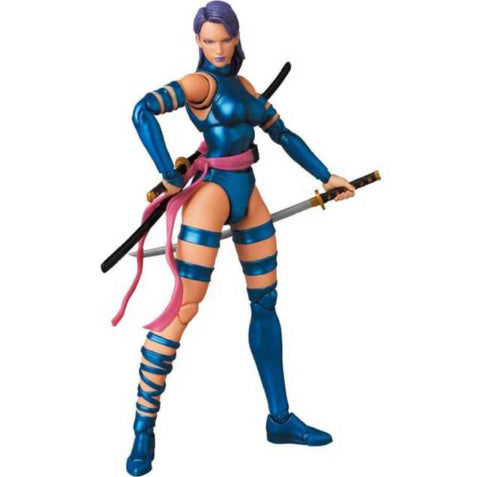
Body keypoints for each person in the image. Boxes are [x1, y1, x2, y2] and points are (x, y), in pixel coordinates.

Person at [117, 2, 355, 475]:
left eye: (225, 39)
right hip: (212, 195)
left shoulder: (244, 87)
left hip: (250, 194)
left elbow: (282, 134)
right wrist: (168, 174)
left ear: (237, 37)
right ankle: (143, 431)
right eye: (209, 41)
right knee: (182, 309)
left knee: (265, 303)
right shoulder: (200, 84)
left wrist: (326, 176)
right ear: (198, 42)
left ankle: (280, 420)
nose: (219, 49)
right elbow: (143, 109)